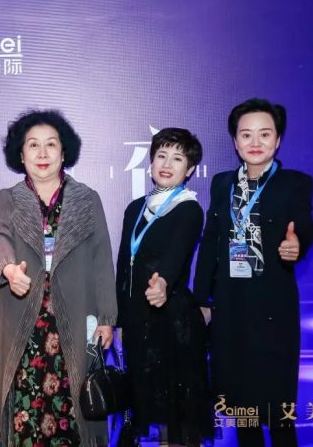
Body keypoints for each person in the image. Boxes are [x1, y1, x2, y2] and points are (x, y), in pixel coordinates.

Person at [0, 110, 117, 447]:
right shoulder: (7, 198)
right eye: (33, 145)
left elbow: (102, 260)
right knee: (24, 409)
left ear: (64, 152)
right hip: (24, 319)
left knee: (74, 409)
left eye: (51, 144)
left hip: (74, 316)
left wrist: (107, 318)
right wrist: (9, 269)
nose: (42, 153)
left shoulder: (87, 199)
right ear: (21, 154)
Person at [193, 98, 313, 447]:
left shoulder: (295, 183)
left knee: (278, 414)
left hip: (273, 310)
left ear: (278, 140)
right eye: (246, 134)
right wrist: (202, 299)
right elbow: (210, 241)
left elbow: (305, 224)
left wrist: (297, 244)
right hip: (231, 308)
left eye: (265, 134)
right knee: (243, 411)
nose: (255, 142)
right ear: (235, 142)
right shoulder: (222, 184)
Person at [116, 128, 212, 447]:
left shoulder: (189, 209)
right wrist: (119, 320)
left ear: (190, 169)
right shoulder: (135, 208)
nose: (167, 164)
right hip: (138, 324)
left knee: (177, 421)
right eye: (161, 156)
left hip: (173, 324)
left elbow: (176, 255)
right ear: (151, 162)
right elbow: (123, 266)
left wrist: (163, 283)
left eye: (177, 158)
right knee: (148, 415)